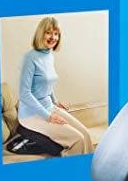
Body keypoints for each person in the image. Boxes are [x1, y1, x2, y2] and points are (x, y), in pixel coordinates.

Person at [18, 17, 94, 156]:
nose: (53, 37)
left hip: (49, 107)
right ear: (41, 34)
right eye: (48, 32)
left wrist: (55, 101)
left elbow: (47, 82)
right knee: (78, 139)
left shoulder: (49, 55)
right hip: (31, 115)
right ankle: (71, 168)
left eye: (56, 33)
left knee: (86, 134)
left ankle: (87, 166)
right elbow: (24, 94)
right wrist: (48, 116)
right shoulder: (29, 58)